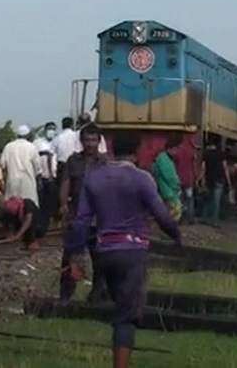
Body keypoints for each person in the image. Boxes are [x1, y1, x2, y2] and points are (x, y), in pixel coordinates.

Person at [63, 131, 182, 368]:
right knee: (126, 316)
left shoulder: (93, 178)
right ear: (138, 151)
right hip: (133, 252)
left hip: (104, 252)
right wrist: (176, 236)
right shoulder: (142, 178)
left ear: (112, 149)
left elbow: (82, 221)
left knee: (121, 306)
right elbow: (162, 215)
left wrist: (74, 255)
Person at [58, 124, 108, 302]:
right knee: (69, 259)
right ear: (81, 141)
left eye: (93, 140)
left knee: (100, 260)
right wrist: (63, 204)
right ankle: (65, 296)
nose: (90, 144)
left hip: (98, 219)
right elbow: (66, 183)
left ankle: (97, 295)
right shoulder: (73, 161)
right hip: (77, 217)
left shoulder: (105, 162)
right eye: (87, 140)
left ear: (99, 141)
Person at [0, 125, 39, 205]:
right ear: (28, 135)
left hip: (12, 181)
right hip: (28, 182)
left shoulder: (8, 147)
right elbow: (37, 166)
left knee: (12, 206)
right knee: (29, 206)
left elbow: (2, 165)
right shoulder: (31, 147)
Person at [201, 136, 231, 228]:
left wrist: (202, 179)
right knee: (216, 202)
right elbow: (225, 168)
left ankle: (204, 217)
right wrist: (228, 181)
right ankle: (215, 221)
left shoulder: (206, 154)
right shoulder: (221, 153)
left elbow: (203, 168)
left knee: (208, 199)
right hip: (219, 179)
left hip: (209, 179)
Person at [152, 136, 184, 221]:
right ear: (169, 148)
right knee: (175, 212)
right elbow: (169, 176)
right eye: (175, 149)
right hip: (168, 191)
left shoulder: (164, 157)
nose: (176, 152)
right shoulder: (164, 158)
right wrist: (176, 185)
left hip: (166, 191)